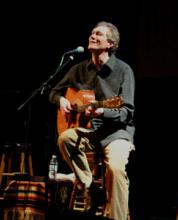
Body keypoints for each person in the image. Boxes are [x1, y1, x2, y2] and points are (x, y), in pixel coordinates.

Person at [49, 21, 135, 220]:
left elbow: (127, 112)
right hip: (89, 131)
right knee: (65, 138)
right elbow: (53, 92)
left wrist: (103, 111)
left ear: (110, 44)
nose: (92, 36)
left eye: (98, 34)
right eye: (91, 33)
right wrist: (61, 100)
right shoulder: (78, 69)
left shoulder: (124, 70)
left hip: (117, 134)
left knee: (115, 168)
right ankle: (87, 183)